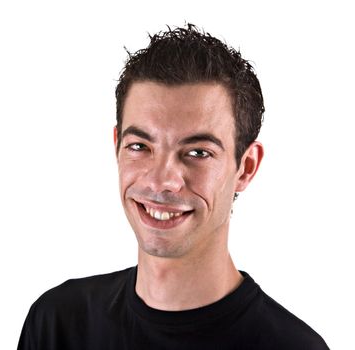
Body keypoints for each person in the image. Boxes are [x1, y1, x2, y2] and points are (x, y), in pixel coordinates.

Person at [17, 24, 329, 349]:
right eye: (140, 146)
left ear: (245, 167)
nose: (161, 180)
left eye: (198, 153)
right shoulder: (58, 324)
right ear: (116, 146)